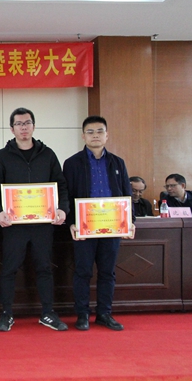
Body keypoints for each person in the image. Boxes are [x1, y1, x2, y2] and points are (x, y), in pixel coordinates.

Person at [0, 107, 69, 332]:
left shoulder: (48, 154)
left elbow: (61, 185)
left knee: (44, 268)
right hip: (13, 225)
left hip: (43, 224)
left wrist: (63, 209)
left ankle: (48, 313)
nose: (23, 127)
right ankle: (6, 314)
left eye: (27, 123)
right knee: (9, 269)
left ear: (33, 126)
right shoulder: (2, 156)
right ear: (11, 128)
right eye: (19, 124)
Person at [63, 116, 135, 331]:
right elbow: (66, 195)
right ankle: (82, 314)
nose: (95, 135)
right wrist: (71, 222)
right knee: (83, 271)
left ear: (107, 135)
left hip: (112, 226)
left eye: (100, 131)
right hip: (84, 226)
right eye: (90, 132)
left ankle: (104, 313)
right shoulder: (72, 163)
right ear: (83, 136)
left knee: (107, 272)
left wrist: (130, 221)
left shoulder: (117, 162)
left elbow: (127, 193)